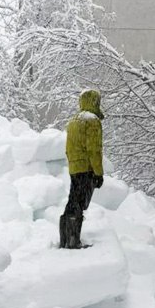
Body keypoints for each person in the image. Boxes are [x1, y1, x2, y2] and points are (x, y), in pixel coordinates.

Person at [59, 89, 104, 250]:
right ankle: (73, 241)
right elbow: (94, 149)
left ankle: (65, 239)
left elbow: (69, 147)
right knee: (79, 202)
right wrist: (98, 173)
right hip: (86, 167)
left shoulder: (74, 120)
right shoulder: (92, 120)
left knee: (73, 201)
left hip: (74, 167)